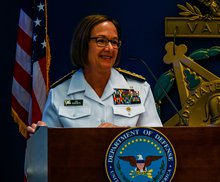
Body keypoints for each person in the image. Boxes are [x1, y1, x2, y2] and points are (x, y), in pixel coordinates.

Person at [27, 14, 162, 133]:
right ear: (83, 44)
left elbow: (157, 141)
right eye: (101, 41)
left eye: (114, 42)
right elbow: (49, 152)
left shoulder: (139, 89)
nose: (109, 48)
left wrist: (122, 134)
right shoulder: (59, 93)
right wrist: (42, 136)